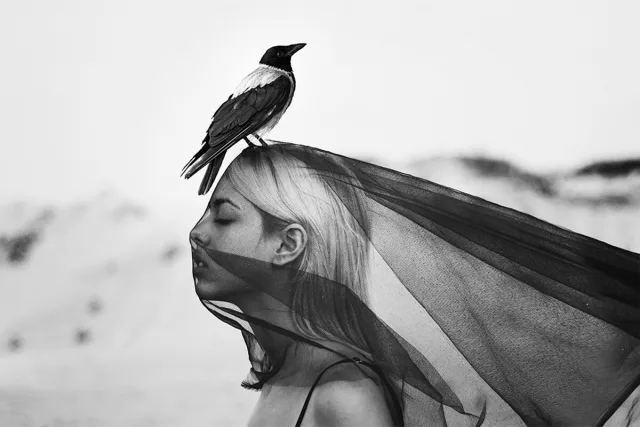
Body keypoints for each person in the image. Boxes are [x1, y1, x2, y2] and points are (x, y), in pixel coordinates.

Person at [189, 143, 640, 427]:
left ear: (288, 244)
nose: (197, 232)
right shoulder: (285, 373)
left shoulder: (344, 396)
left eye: (223, 216)